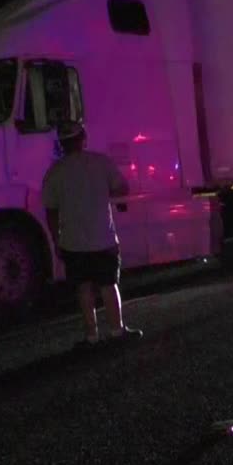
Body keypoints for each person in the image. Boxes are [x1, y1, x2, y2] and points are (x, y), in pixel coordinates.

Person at [42, 121, 142, 347]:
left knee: (83, 287)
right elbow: (122, 187)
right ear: (83, 139)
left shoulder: (55, 172)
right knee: (108, 284)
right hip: (103, 238)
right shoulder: (101, 162)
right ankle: (116, 330)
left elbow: (51, 210)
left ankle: (91, 336)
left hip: (73, 242)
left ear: (62, 144)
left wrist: (56, 239)